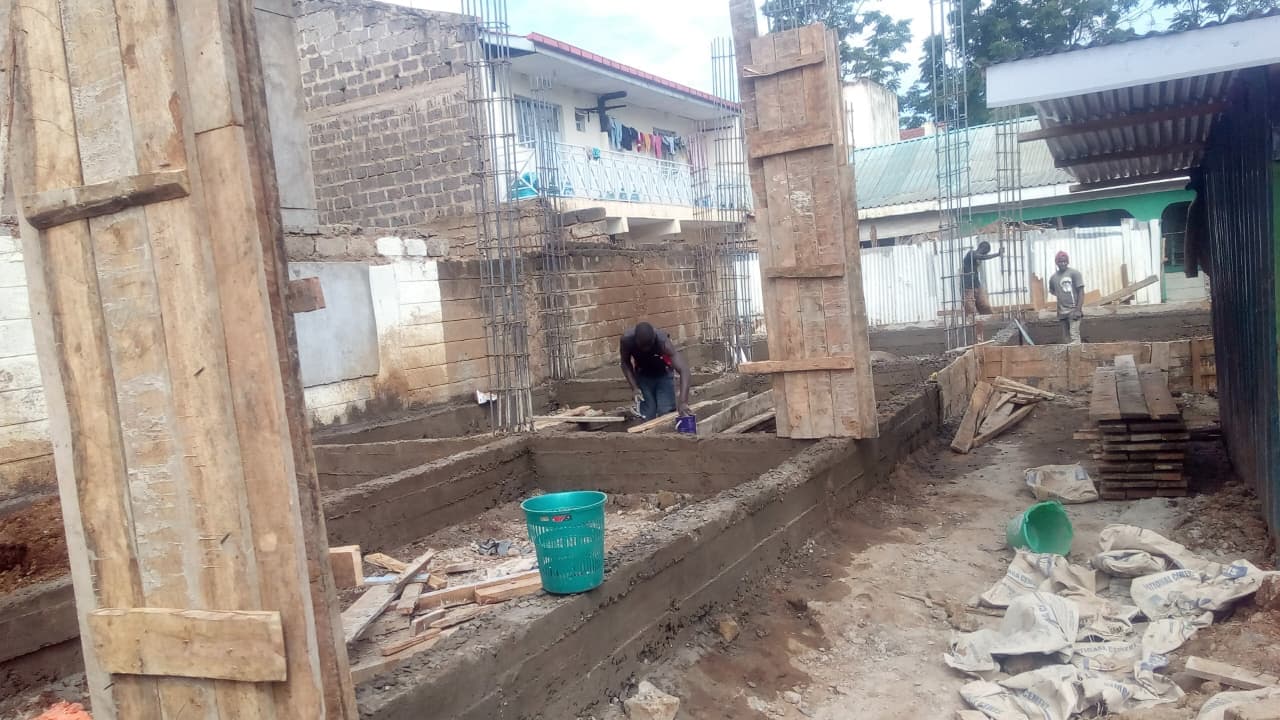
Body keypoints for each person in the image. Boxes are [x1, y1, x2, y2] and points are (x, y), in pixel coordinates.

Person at [619, 322, 691, 420]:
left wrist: (683, 402)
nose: (646, 349)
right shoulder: (626, 340)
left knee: (665, 412)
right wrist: (635, 388)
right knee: (647, 415)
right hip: (643, 375)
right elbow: (625, 363)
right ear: (636, 340)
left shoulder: (663, 342)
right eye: (643, 346)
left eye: (649, 346)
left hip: (663, 374)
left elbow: (684, 370)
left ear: (654, 339)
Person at [961, 241, 1003, 340]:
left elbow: (981, 257)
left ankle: (990, 329)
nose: (984, 254)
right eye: (985, 252)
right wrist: (997, 254)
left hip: (976, 285)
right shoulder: (971, 253)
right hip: (967, 287)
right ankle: (973, 334)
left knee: (985, 307)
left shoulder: (977, 256)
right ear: (981, 248)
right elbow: (981, 257)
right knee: (970, 310)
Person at [1048, 251, 1084, 344]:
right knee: (1066, 338)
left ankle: (1075, 357)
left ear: (1068, 262)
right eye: (1060, 262)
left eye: (1065, 261)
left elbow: (1081, 292)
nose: (1063, 263)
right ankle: (1069, 357)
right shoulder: (1053, 278)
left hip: (1073, 311)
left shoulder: (1074, 273)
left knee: (1074, 335)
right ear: (1057, 262)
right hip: (1062, 312)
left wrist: (1078, 310)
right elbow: (1053, 291)